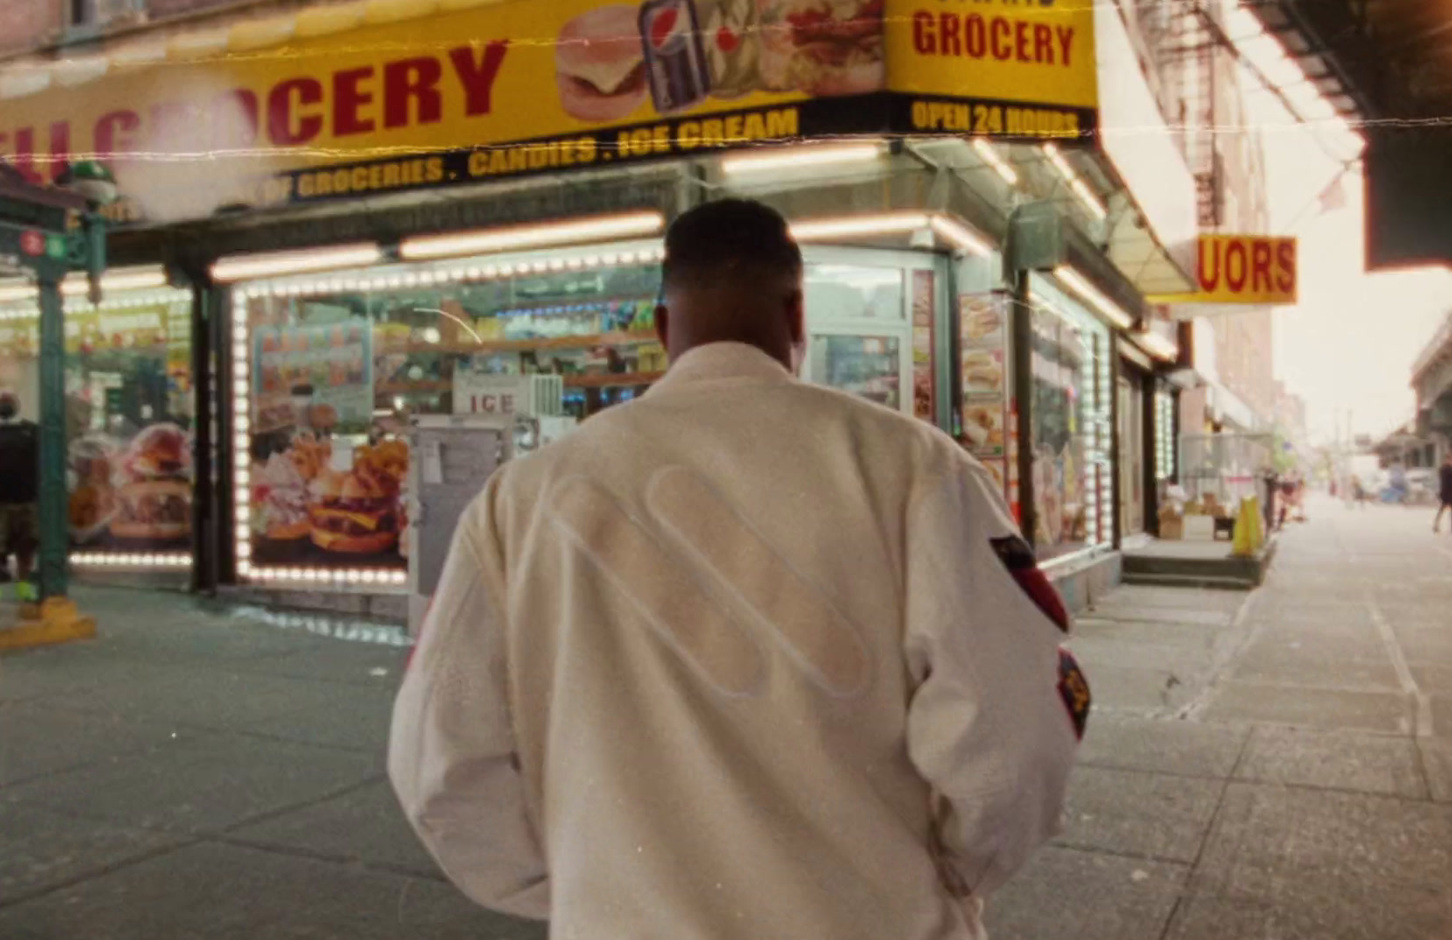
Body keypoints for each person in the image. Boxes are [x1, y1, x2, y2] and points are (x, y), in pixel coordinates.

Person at [388, 200, 1086, 938]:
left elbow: (440, 761)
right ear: (798, 315)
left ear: (662, 330)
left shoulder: (520, 500)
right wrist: (952, 872)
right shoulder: (915, 469)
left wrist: (584, 884)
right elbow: (1014, 732)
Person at [0, 390, 40, 600]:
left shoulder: (31, 431)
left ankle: (23, 586)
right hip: (4, 502)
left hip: (27, 499)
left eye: (8, 402)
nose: (5, 405)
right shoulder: (30, 432)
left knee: (28, 545)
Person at [1434, 453, 1452, 535]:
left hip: (1448, 490)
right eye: (1450, 459)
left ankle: (1451, 526)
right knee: (1443, 508)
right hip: (1448, 491)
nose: (1450, 461)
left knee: (1451, 509)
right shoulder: (1451, 469)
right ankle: (1438, 525)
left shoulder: (1443, 469)